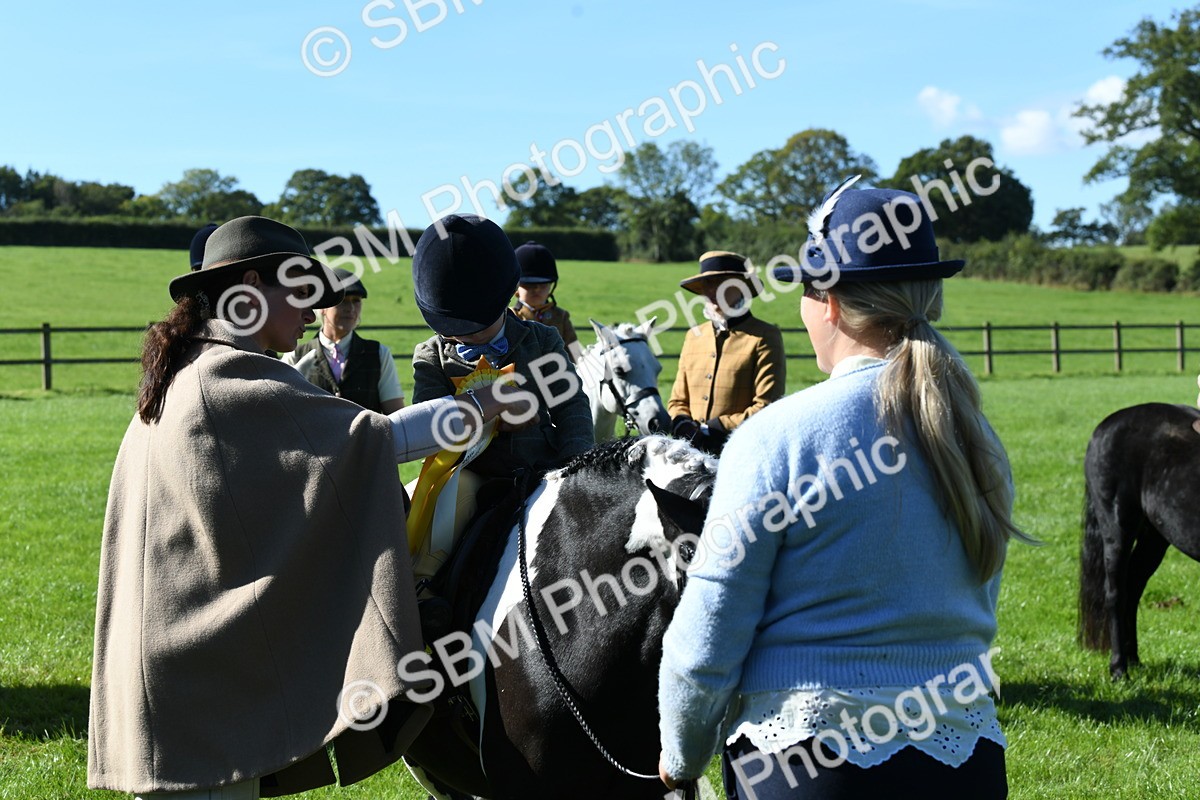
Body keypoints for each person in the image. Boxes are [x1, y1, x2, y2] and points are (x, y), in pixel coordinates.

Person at [88, 216, 521, 800]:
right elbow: (375, 440)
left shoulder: (187, 372)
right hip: (199, 697)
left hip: (175, 682)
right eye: (301, 293)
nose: (311, 311)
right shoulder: (228, 378)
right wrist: (482, 402)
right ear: (250, 286)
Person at [657, 181, 1032, 799]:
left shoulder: (775, 437)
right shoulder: (974, 434)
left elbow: (711, 630)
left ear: (826, 303)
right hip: (967, 757)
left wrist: (682, 751)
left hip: (807, 762)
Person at [411, 215, 593, 481]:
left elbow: (570, 406)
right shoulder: (431, 357)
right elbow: (429, 424)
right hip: (466, 476)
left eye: (478, 327)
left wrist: (575, 467)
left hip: (541, 471)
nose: (468, 337)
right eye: (454, 330)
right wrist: (485, 413)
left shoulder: (541, 341)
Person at [667, 250, 786, 455]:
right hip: (689, 456)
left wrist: (716, 427)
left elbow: (767, 406)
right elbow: (677, 401)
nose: (712, 290)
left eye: (720, 282)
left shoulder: (764, 336)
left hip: (743, 451)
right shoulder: (693, 336)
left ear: (741, 288)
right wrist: (683, 424)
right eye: (707, 284)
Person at [282, 267, 406, 413]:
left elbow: (396, 415)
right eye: (343, 301)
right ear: (322, 307)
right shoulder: (295, 356)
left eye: (356, 301)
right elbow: (282, 411)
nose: (351, 308)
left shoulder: (379, 354)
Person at [510, 240, 580, 360]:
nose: (537, 289)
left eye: (543, 285)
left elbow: (575, 353)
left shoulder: (561, 317)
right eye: (529, 285)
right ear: (516, 287)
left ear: (551, 287)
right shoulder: (511, 317)